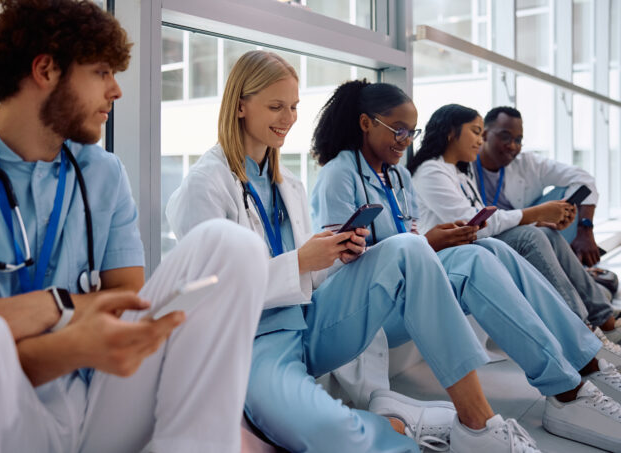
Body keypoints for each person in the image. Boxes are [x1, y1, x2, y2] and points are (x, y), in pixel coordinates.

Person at [168, 49, 594, 453]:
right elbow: (210, 297)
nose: (289, 119)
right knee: (326, 431)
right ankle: (399, 422)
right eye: (276, 107)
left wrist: (336, 252)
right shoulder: (206, 185)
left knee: (409, 249)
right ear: (240, 105)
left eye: (294, 106)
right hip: (254, 339)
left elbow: (310, 278)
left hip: (310, 319)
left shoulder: (289, 185)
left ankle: (478, 423)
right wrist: (302, 261)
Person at [0, 2, 268, 452]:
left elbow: (125, 299)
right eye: (101, 72)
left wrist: (36, 317)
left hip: (99, 397)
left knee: (233, 246)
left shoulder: (102, 171)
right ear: (45, 70)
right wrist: (67, 316)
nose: (116, 90)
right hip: (2, 412)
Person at [310, 80, 621, 452]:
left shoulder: (397, 177)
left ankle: (584, 364)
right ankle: (566, 391)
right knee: (472, 260)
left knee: (490, 249)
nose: (406, 140)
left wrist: (435, 238)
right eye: (398, 130)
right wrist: (430, 242)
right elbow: (351, 265)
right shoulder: (338, 175)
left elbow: (407, 243)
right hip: (368, 310)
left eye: (413, 131)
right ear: (365, 123)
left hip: (406, 292)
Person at [408, 104, 621, 354]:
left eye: (481, 133)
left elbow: (482, 221)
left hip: (474, 245)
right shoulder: (432, 170)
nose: (480, 139)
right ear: (450, 133)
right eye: (476, 132)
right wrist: (535, 214)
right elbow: (473, 225)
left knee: (547, 232)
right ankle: (580, 332)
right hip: (455, 254)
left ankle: (598, 319)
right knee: (531, 235)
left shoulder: (459, 172)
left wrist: (540, 220)